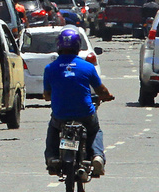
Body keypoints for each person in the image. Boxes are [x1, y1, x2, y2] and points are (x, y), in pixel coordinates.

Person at [42, 26, 112, 178]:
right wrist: (107, 96)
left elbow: (47, 95)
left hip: (60, 115)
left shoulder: (50, 68)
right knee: (95, 130)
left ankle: (52, 157)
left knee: (53, 130)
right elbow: (101, 91)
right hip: (84, 114)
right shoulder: (87, 66)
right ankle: (97, 156)